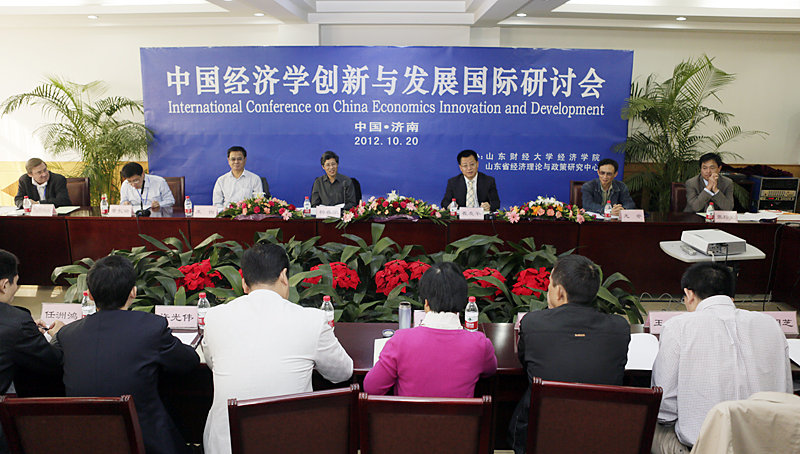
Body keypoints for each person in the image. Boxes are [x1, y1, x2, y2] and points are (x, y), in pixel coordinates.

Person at [201, 243, 353, 454]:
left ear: (244, 283)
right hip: (290, 444)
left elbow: (212, 363)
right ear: (284, 276)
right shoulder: (311, 320)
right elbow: (342, 373)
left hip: (225, 446)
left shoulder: (215, 317)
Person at [52, 255, 200, 454]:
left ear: (90, 296)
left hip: (87, 442)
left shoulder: (67, 334)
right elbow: (189, 362)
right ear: (133, 292)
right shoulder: (151, 327)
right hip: (144, 443)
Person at [650, 262, 792, 454]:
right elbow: (785, 396)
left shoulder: (677, 326)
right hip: (768, 446)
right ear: (731, 296)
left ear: (689, 294)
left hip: (704, 448)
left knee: (648, 426)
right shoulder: (771, 324)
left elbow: (664, 411)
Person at [509, 254, 630, 454]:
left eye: (550, 284)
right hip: (600, 435)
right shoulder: (619, 327)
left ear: (560, 292)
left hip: (541, 435)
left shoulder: (533, 323)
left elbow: (525, 361)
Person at [364, 262, 497, 397]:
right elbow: (490, 370)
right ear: (463, 302)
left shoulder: (400, 341)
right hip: (459, 412)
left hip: (408, 412)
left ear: (426, 302)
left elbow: (371, 387)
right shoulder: (480, 344)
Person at [0, 249, 63, 454]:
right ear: (4, 285)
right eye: (16, 283)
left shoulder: (17, 322)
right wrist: (58, 336)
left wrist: (27, 332)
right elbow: (53, 363)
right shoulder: (17, 322)